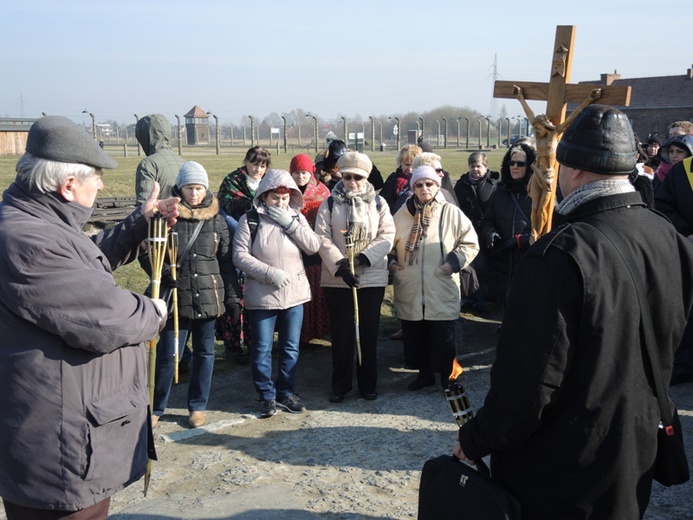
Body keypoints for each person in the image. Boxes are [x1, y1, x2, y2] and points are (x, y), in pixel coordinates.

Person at [454, 105, 693, 519]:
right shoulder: (667, 236)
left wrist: (475, 438)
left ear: (575, 170)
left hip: (563, 467)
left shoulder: (558, 254)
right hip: (635, 447)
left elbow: (528, 383)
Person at [0, 116, 179, 519]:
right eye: (95, 177)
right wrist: (154, 311)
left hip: (64, 437)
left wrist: (139, 222)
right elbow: (102, 317)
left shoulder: (35, 223)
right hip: (58, 447)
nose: (100, 185)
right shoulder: (28, 240)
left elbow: (82, 263)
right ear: (67, 186)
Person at [150, 162, 241, 429]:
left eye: (199, 188)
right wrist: (164, 271)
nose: (194, 194)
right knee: (168, 355)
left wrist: (233, 298)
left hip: (209, 298)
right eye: (189, 187)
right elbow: (149, 251)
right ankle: (156, 406)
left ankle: (197, 405)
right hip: (175, 298)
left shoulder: (218, 221)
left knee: (205, 354)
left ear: (206, 189)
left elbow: (226, 263)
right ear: (179, 188)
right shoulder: (166, 218)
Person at [233, 169, 320, 418]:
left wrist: (290, 224)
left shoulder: (296, 218)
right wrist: (269, 273)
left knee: (291, 347)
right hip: (262, 294)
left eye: (284, 198)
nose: (280, 203)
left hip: (294, 294)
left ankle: (286, 391)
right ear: (264, 196)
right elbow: (239, 256)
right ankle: (266, 395)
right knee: (261, 349)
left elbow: (313, 246)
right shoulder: (249, 220)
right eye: (274, 198)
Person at [389, 166, 479, 390]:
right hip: (410, 284)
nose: (424, 188)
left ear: (437, 186)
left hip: (440, 282)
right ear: (413, 188)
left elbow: (470, 242)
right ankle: (424, 374)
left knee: (443, 336)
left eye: (429, 184)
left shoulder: (451, 212)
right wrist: (391, 263)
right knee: (416, 335)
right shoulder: (401, 214)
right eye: (419, 185)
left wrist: (452, 263)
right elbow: (388, 244)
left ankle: (448, 378)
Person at [315, 151, 395, 403]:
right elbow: (322, 236)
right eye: (348, 177)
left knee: (368, 332)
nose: (352, 182)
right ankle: (340, 385)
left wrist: (362, 259)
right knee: (342, 334)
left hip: (370, 277)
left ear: (366, 177)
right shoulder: (329, 203)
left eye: (358, 178)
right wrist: (340, 265)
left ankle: (368, 383)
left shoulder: (380, 204)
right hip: (338, 278)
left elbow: (387, 235)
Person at [215, 146, 272, 364]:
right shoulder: (232, 181)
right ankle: (232, 344)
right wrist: (241, 228)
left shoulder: (268, 183)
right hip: (234, 244)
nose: (258, 169)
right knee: (235, 296)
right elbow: (222, 211)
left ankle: (254, 342)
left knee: (255, 296)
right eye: (255, 163)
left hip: (261, 247)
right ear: (246, 161)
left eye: (263, 165)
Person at [655, 143, 693, 385]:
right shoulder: (682, 171)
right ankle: (685, 363)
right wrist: (687, 233)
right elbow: (663, 205)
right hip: (688, 250)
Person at [480, 144, 536, 304]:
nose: (515, 167)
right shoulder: (500, 192)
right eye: (512, 163)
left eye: (520, 164)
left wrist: (521, 240)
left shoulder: (539, 194)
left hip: (526, 261)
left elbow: (547, 228)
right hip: (501, 262)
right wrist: (489, 233)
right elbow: (487, 220)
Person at [289, 154, 332, 346]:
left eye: (304, 172)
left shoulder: (322, 191)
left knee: (317, 293)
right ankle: (301, 334)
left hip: (316, 252)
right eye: (296, 173)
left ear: (311, 172)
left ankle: (319, 330)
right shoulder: (286, 192)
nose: (300, 177)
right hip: (293, 252)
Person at [454, 152, 500, 310]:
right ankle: (468, 296)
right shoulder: (462, 184)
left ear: (485, 167)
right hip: (468, 230)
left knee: (486, 267)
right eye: (472, 166)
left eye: (478, 166)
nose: (475, 169)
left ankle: (483, 299)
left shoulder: (495, 183)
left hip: (488, 230)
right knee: (468, 265)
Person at [135, 113, 186, 205]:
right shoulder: (184, 162)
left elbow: (144, 205)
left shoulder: (148, 164)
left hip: (162, 217)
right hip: (184, 217)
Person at [380, 144, 423, 214]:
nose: (410, 169)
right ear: (401, 164)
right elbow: (381, 201)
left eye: (414, 166)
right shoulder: (392, 180)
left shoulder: (423, 183)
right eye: (407, 165)